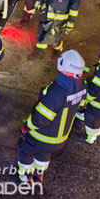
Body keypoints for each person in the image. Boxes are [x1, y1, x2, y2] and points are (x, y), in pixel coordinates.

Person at [17, 50, 87, 187]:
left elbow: (40, 119)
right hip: (60, 138)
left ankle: (25, 177)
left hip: (41, 136)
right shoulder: (83, 87)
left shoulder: (56, 92)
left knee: (24, 149)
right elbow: (81, 108)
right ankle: (39, 174)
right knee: (44, 153)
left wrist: (26, 128)